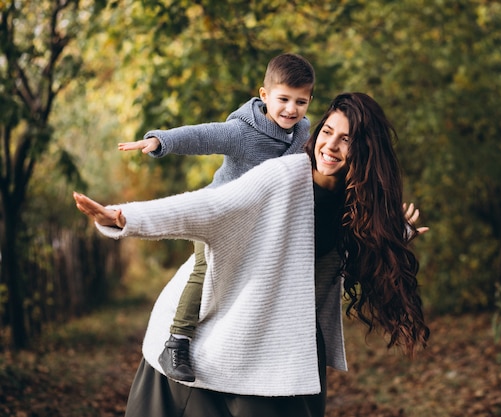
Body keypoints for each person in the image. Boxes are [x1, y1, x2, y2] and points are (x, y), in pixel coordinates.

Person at [74, 92, 430, 417]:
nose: (330, 145)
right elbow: (208, 207)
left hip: (286, 340)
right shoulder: (283, 176)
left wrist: (394, 236)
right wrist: (126, 218)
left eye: (346, 139)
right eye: (326, 132)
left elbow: (357, 256)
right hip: (222, 328)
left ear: (366, 151)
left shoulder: (354, 203)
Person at [117, 53, 315, 382]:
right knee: (203, 270)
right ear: (265, 96)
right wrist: (160, 140)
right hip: (219, 213)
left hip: (258, 226)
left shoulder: (302, 134)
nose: (291, 109)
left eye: (301, 101)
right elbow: (202, 136)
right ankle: (177, 342)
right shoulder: (242, 132)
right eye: (283, 99)